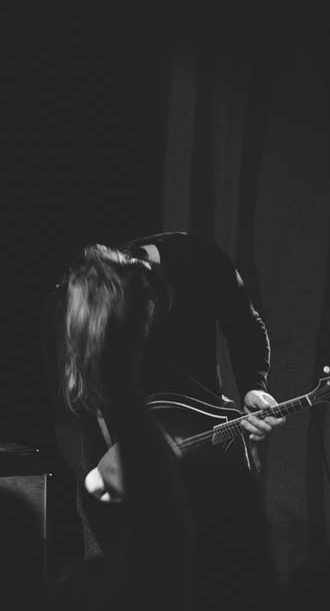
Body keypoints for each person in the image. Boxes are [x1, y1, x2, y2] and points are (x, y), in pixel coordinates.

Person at [41, 231, 283, 557]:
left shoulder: (199, 260)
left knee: (220, 562)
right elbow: (66, 411)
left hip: (202, 443)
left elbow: (245, 323)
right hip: (114, 452)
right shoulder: (71, 301)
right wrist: (94, 476)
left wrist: (254, 386)